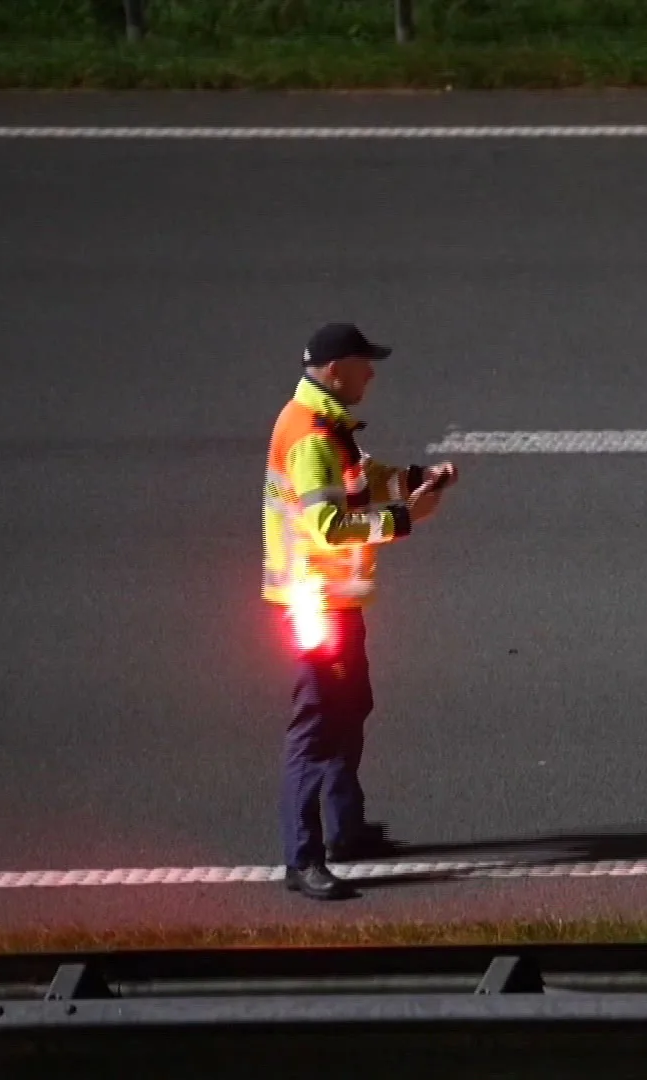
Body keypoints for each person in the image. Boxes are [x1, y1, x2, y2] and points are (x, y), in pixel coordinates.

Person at [261, 322, 457, 901]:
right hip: (314, 603)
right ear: (334, 369)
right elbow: (327, 526)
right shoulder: (311, 437)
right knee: (317, 727)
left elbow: (359, 478)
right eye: (363, 364)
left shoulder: (326, 425)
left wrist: (417, 479)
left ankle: (346, 831)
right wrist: (405, 518)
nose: (371, 373)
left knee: (351, 708)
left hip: (335, 602)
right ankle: (302, 859)